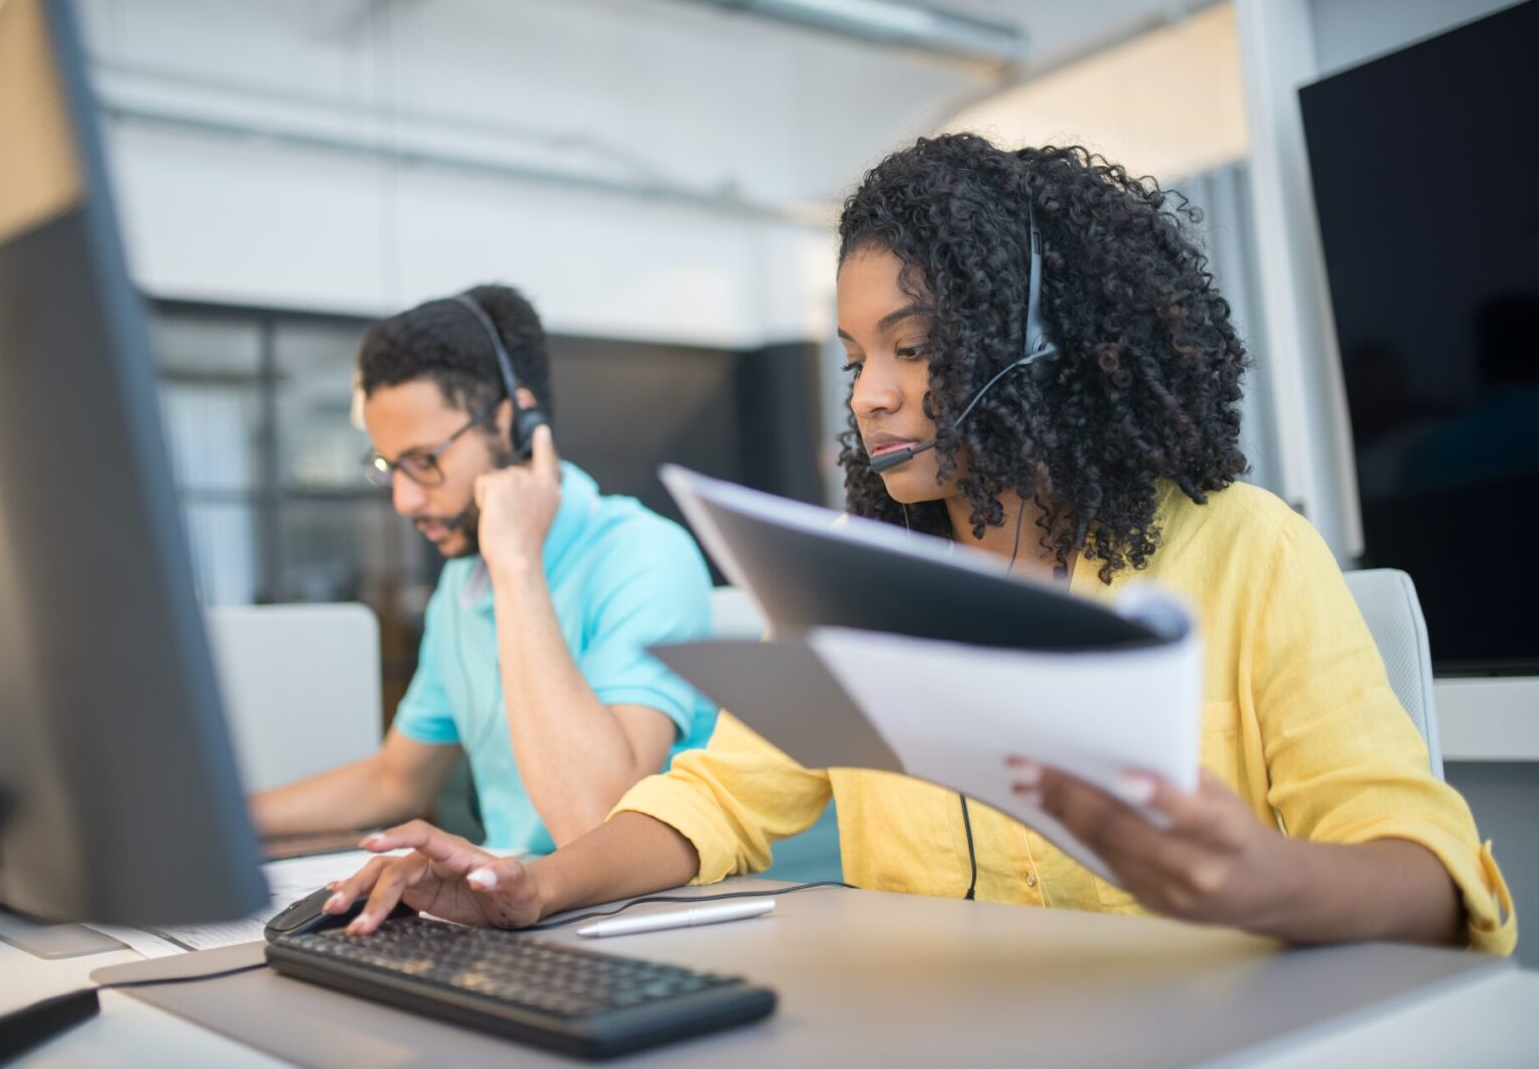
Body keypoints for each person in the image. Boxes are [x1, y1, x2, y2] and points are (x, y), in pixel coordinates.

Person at [321, 138, 1515, 955]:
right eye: (853, 361)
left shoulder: (1249, 551)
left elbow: (1427, 874)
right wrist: (528, 888)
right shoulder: (861, 586)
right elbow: (714, 802)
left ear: (1042, 338)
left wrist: (1268, 881)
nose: (871, 399)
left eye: (915, 345)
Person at [250, 286, 718, 854]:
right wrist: (228, 816)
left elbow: (600, 823)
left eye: (424, 462)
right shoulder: (463, 583)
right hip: (513, 907)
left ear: (514, 420)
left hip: (632, 916)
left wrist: (517, 563)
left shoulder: (646, 557)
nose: (403, 500)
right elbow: (397, 778)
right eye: (390, 467)